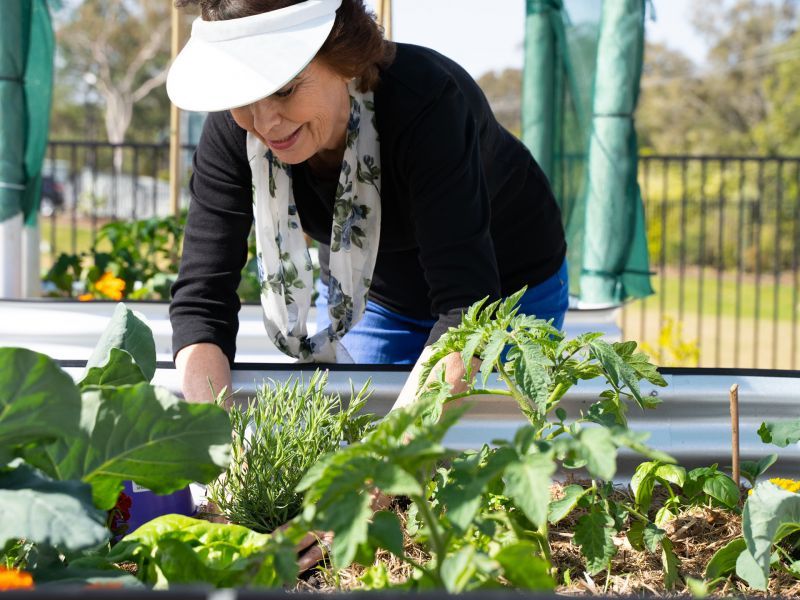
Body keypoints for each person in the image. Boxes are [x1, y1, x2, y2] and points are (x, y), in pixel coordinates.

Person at [167, 0, 569, 407]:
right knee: (358, 426)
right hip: (373, 299)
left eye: (285, 90)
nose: (265, 121)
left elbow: (467, 311)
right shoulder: (235, 130)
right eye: (247, 99)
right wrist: (222, 450)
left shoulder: (427, 103)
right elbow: (203, 303)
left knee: (485, 450)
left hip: (508, 287)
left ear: (343, 58)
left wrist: (386, 458)